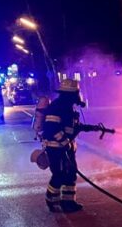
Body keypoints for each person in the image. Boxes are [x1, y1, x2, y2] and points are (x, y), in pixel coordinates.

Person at [41, 78, 98, 213]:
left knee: (70, 173)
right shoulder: (56, 107)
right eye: (75, 93)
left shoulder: (67, 106)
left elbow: (71, 126)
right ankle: (51, 200)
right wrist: (65, 142)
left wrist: (89, 128)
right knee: (59, 175)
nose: (77, 96)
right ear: (69, 94)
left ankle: (68, 202)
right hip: (56, 148)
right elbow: (51, 128)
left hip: (66, 147)